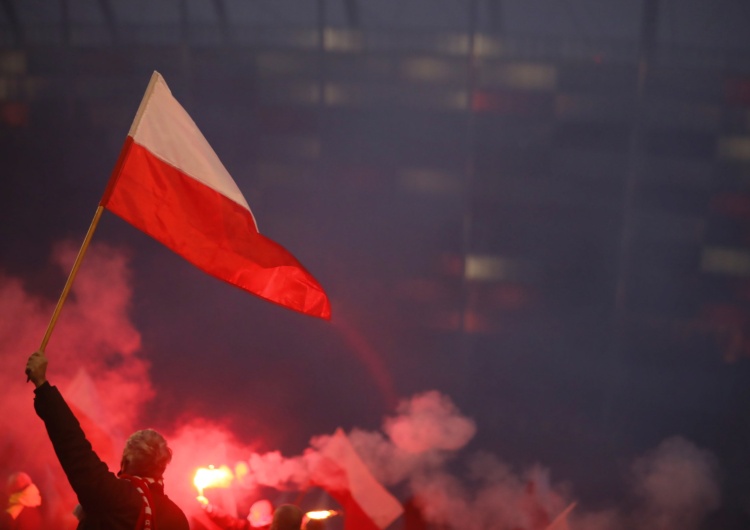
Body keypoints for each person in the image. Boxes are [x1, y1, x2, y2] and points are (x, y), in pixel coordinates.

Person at [25, 350, 189, 530]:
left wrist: (42, 385)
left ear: (125, 461)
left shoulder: (114, 496)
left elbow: (74, 447)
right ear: (162, 468)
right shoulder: (178, 519)